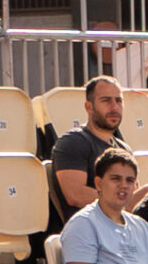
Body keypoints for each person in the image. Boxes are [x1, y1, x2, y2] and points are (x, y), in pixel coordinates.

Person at [50, 75, 126, 221]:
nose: (114, 107)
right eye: (106, 100)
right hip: (89, 228)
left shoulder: (123, 148)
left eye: (118, 100)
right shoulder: (73, 142)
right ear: (89, 107)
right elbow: (75, 195)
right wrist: (122, 201)